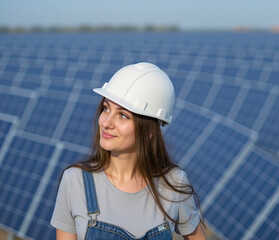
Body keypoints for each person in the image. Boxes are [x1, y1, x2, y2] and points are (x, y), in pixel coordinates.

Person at [51, 62, 207, 240]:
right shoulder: (74, 181)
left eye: (123, 115)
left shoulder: (173, 184)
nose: (106, 123)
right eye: (106, 108)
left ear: (149, 130)